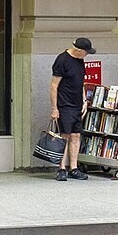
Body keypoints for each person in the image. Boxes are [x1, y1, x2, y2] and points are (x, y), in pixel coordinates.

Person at [49, 36, 91, 181]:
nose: (87, 55)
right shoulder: (62, 60)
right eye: (86, 52)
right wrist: (54, 108)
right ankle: (61, 168)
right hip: (65, 103)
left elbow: (81, 82)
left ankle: (73, 167)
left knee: (76, 135)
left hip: (77, 103)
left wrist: (84, 99)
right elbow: (54, 85)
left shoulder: (80, 60)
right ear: (78, 50)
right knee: (64, 136)